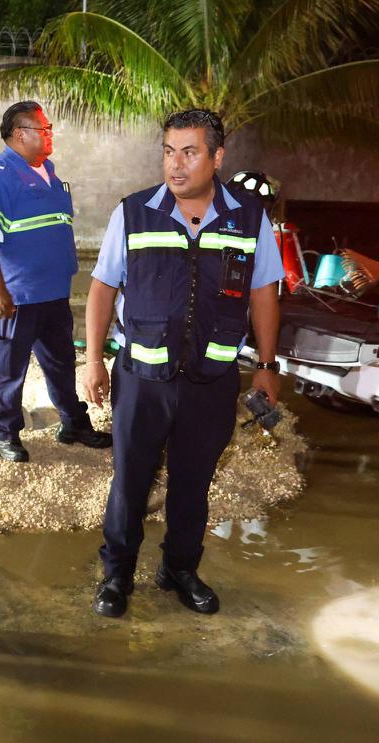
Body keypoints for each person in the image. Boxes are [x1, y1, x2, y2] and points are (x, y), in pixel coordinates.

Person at [82, 108, 285, 619]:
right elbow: (103, 287)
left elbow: (263, 293)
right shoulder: (132, 212)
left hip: (212, 380)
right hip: (143, 378)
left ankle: (179, 569)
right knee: (130, 481)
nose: (176, 164)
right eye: (169, 151)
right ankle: (117, 573)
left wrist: (266, 365)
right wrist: (94, 361)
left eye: (190, 152)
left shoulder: (249, 218)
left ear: (217, 157)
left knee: (193, 484)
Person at [0, 101, 111, 462]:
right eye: (43, 130)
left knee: (61, 363)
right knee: (9, 371)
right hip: (16, 295)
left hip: (51, 292)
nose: (50, 136)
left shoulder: (48, 171)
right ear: (20, 134)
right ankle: (5, 433)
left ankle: (74, 424)